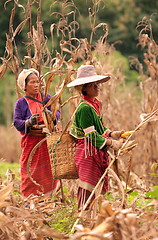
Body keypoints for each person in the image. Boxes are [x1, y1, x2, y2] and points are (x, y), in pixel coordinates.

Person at [67, 65, 124, 211]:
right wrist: (111, 143)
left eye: (97, 83)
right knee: (87, 188)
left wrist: (112, 134)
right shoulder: (84, 108)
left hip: (95, 152)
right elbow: (91, 136)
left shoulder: (95, 104)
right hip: (87, 154)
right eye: (93, 85)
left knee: (96, 190)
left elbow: (99, 128)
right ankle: (83, 219)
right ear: (84, 88)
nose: (98, 87)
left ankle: (94, 218)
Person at [14, 68, 60, 197]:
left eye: (37, 82)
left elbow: (57, 112)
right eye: (32, 82)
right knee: (29, 170)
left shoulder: (46, 98)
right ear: (24, 85)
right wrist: (28, 122)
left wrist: (52, 116)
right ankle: (30, 198)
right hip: (31, 142)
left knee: (49, 170)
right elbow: (17, 122)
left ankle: (49, 197)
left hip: (47, 141)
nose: (36, 85)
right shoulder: (21, 103)